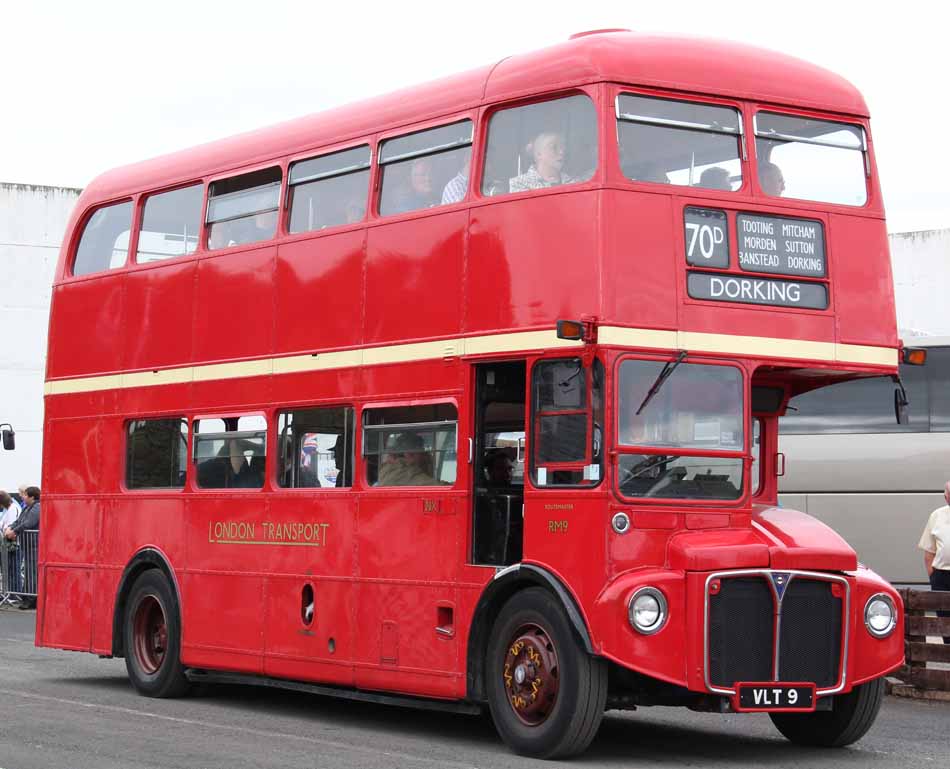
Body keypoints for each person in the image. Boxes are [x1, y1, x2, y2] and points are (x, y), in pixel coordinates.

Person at [918, 481, 950, 643]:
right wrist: (934, 577)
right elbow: (929, 551)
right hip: (942, 578)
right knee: (945, 624)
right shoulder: (937, 516)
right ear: (946, 497)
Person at [4, 486, 40, 609]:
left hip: (34, 546)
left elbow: (28, 523)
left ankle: (31, 600)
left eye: (25, 495)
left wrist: (13, 531)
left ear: (32, 497)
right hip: (27, 545)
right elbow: (19, 521)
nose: (22, 497)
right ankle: (27, 598)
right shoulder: (28, 508)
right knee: (29, 572)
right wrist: (10, 527)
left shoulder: (37, 507)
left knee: (32, 573)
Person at [509, 131, 576, 192]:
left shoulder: (574, 182)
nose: (561, 152)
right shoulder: (519, 183)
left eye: (562, 147)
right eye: (554, 147)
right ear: (539, 154)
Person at [0, 491, 21, 598]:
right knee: (9, 569)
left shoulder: (13, 509)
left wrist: (5, 531)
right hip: (7, 543)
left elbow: (11, 525)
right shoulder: (7, 509)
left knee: (14, 569)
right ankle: (9, 593)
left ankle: (14, 594)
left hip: (13, 544)